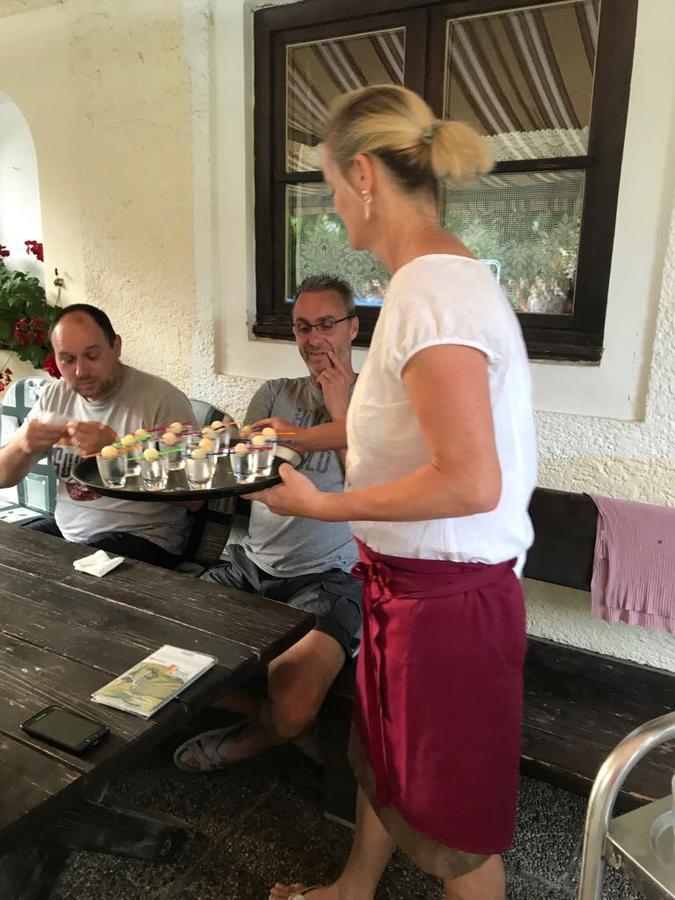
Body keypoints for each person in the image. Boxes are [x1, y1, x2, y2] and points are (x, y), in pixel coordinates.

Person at [250, 86, 537, 900]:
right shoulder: (426, 284)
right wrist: (299, 443)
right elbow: (401, 435)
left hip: (446, 606)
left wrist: (323, 508)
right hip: (403, 592)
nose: (333, 204)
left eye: (332, 185)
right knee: (383, 764)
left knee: (455, 827)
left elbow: (467, 478)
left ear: (365, 174)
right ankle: (352, 889)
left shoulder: (432, 295)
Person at [173, 274, 363, 770]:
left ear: (353, 329)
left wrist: (342, 411)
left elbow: (367, 496)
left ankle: (252, 739)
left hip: (330, 578)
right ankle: (273, 723)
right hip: (249, 567)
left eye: (326, 324)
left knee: (295, 700)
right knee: (156, 645)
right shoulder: (274, 393)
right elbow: (246, 479)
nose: (314, 338)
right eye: (303, 327)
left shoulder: (383, 403)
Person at [0, 303, 196, 568]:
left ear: (116, 346)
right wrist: (23, 445)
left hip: (144, 538)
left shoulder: (162, 400)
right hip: (69, 533)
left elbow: (195, 498)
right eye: (67, 360)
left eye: (91, 355)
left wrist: (118, 454)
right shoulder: (56, 395)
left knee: (63, 579)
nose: (80, 371)